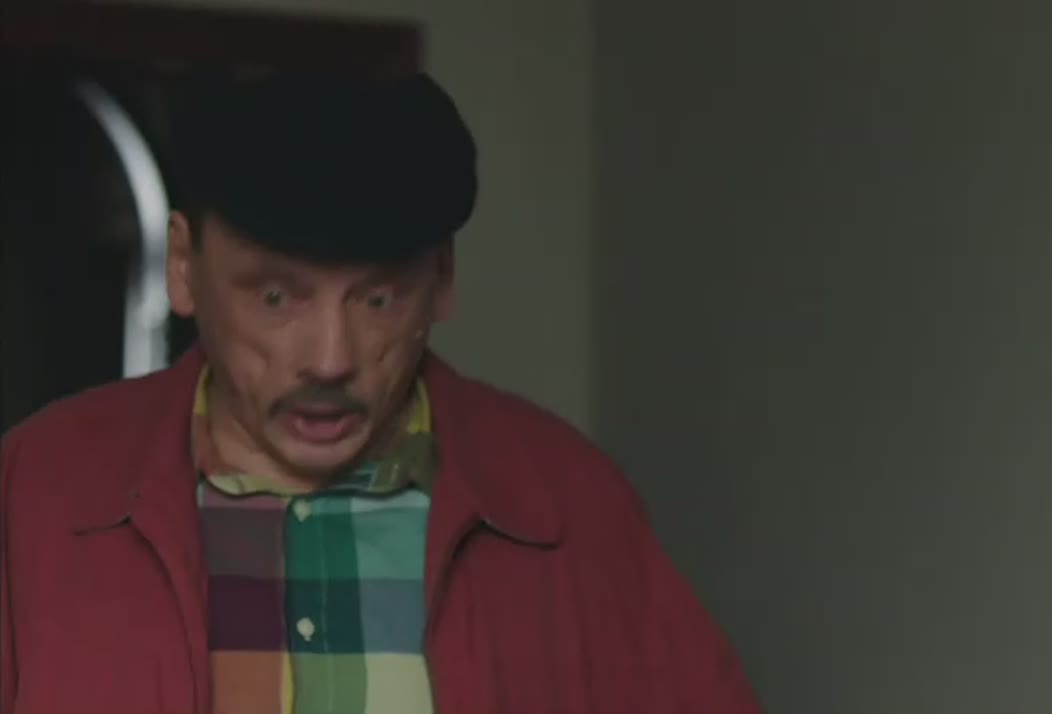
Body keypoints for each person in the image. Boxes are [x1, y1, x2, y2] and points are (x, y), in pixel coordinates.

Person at [0, 72, 759, 714]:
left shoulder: (568, 503)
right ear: (183, 269)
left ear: (442, 280)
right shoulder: (35, 492)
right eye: (276, 297)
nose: (330, 361)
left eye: (378, 299)